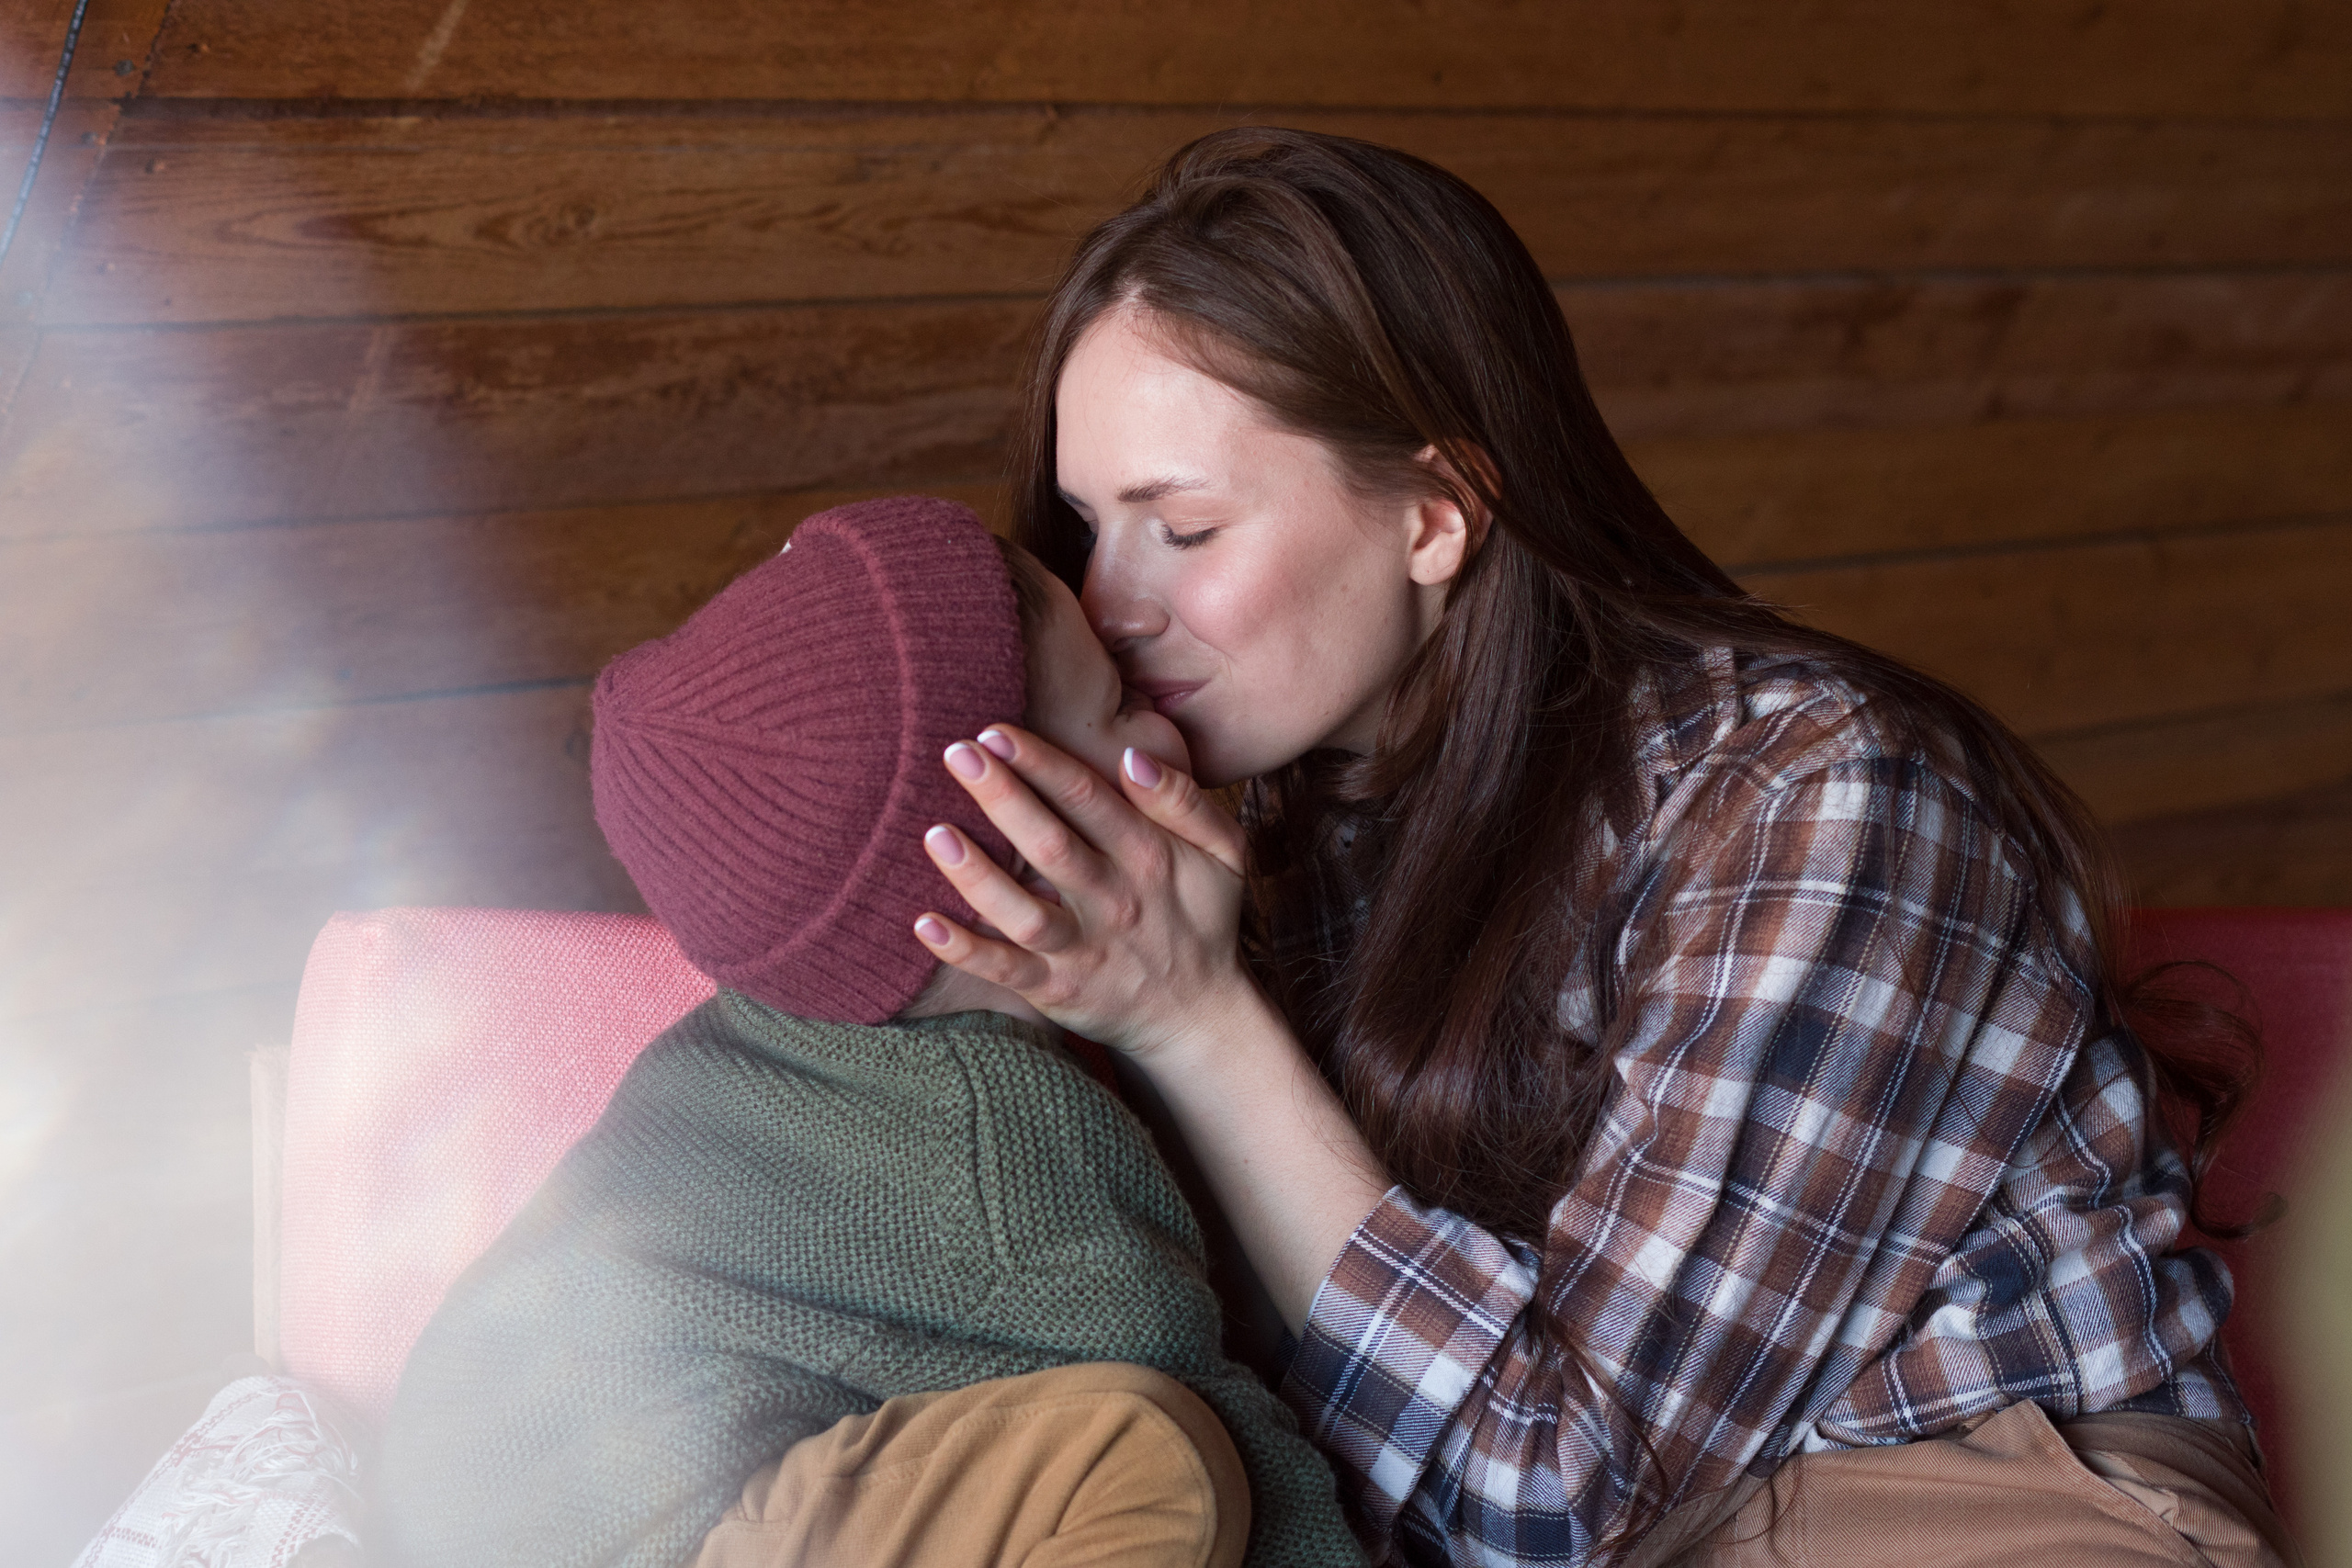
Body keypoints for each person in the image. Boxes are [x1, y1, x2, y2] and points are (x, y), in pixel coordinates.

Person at [907, 129, 2301, 1567]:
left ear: (1438, 518)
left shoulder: (1823, 797)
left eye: (1183, 527)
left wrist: (1195, 1018)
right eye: (1086, 526)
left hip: (1990, 1509)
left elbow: (1555, 1496)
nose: (1108, 602)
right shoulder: (1263, 814)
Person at [369, 496, 1365, 1568]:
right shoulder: (1000, 1142)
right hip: (642, 1544)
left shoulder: (736, 1053)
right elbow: (1236, 1447)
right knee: (1157, 1453)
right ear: (1004, 858)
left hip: (446, 1493)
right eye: (1118, 706)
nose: (1163, 732)